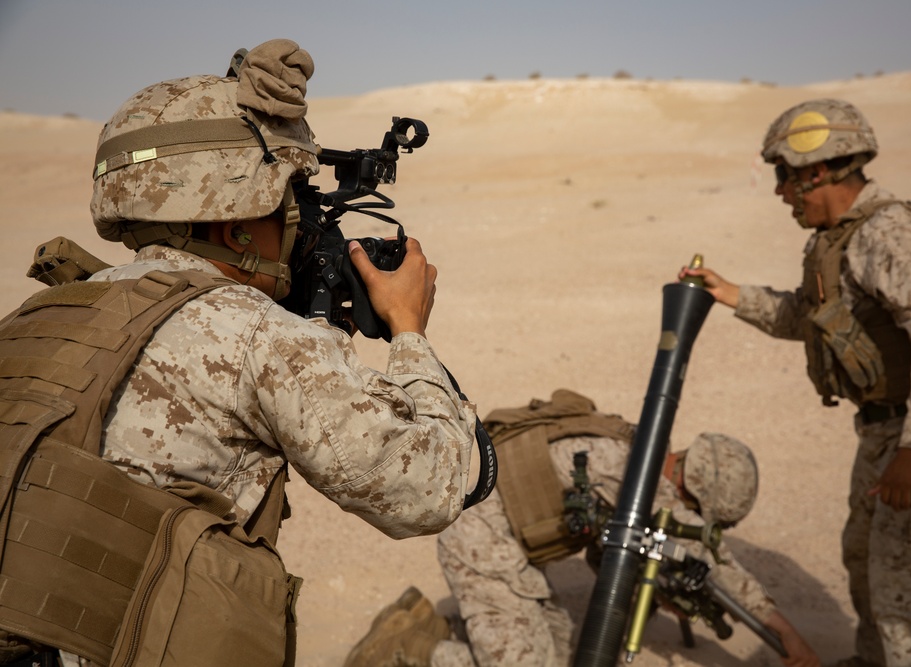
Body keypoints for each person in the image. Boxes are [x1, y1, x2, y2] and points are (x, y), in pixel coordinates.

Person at [0, 39, 479, 667]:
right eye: (288, 204)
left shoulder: (37, 316)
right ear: (235, 225)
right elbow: (430, 488)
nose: (300, 226)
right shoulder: (253, 334)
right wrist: (410, 332)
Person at [679, 99, 911, 667]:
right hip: (886, 435)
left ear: (816, 172)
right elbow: (808, 319)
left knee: (906, 593)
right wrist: (729, 293)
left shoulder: (887, 232)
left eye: (783, 176)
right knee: (869, 572)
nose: (780, 193)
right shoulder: (840, 241)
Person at [346, 389, 821, 667]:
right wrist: (788, 634)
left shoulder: (634, 449)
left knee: (557, 650)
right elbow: (716, 564)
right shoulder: (640, 478)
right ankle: (410, 647)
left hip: (505, 541)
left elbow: (606, 551)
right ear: (699, 493)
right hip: (482, 549)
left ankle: (430, 620)